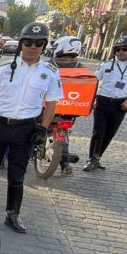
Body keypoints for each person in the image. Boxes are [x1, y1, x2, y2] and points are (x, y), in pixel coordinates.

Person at [0, 21, 62, 234]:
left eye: (38, 43)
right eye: (28, 42)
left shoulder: (49, 71)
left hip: (26, 130)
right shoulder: (3, 67)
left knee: (17, 175)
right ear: (21, 43)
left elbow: (51, 105)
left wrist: (43, 129)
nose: (33, 47)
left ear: (44, 46)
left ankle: (13, 214)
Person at [84, 35, 127, 172]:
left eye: (124, 49)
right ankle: (92, 159)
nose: (120, 52)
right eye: (117, 49)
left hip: (121, 104)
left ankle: (98, 157)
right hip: (103, 101)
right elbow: (94, 81)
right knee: (98, 132)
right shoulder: (106, 65)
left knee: (109, 133)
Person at [50, 35, 85, 174]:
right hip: (70, 108)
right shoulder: (81, 67)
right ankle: (64, 165)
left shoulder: (51, 64)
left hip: (50, 105)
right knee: (63, 133)